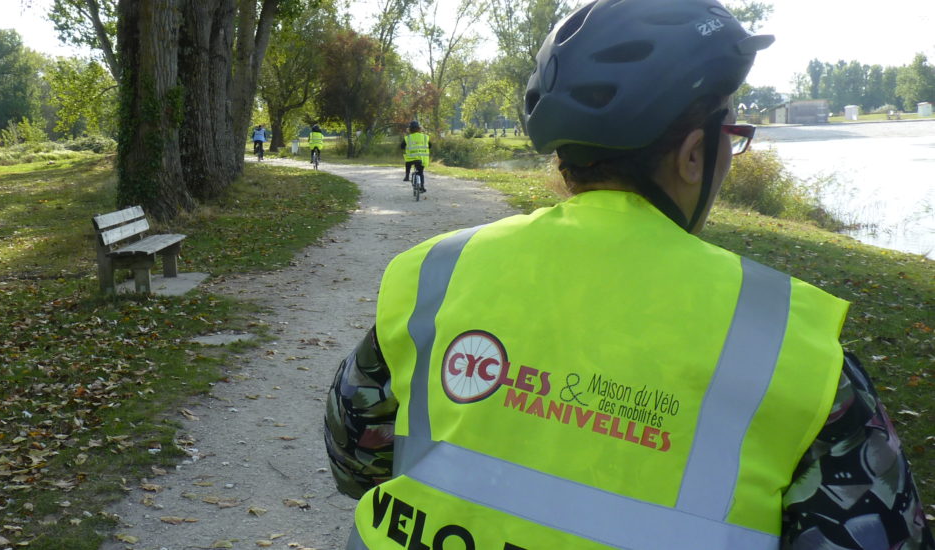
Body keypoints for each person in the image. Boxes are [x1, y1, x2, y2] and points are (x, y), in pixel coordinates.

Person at [323, 0, 932, 549]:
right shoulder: (788, 345)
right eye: (734, 136)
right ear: (695, 153)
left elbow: (354, 458)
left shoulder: (435, 272)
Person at [399, 121, 430, 192]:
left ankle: (407, 176)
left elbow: (402, 146)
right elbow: (430, 145)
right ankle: (422, 186)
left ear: (410, 129)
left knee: (408, 163)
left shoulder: (408, 138)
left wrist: (406, 147)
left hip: (411, 158)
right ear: (419, 128)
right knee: (420, 173)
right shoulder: (425, 137)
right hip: (421, 159)